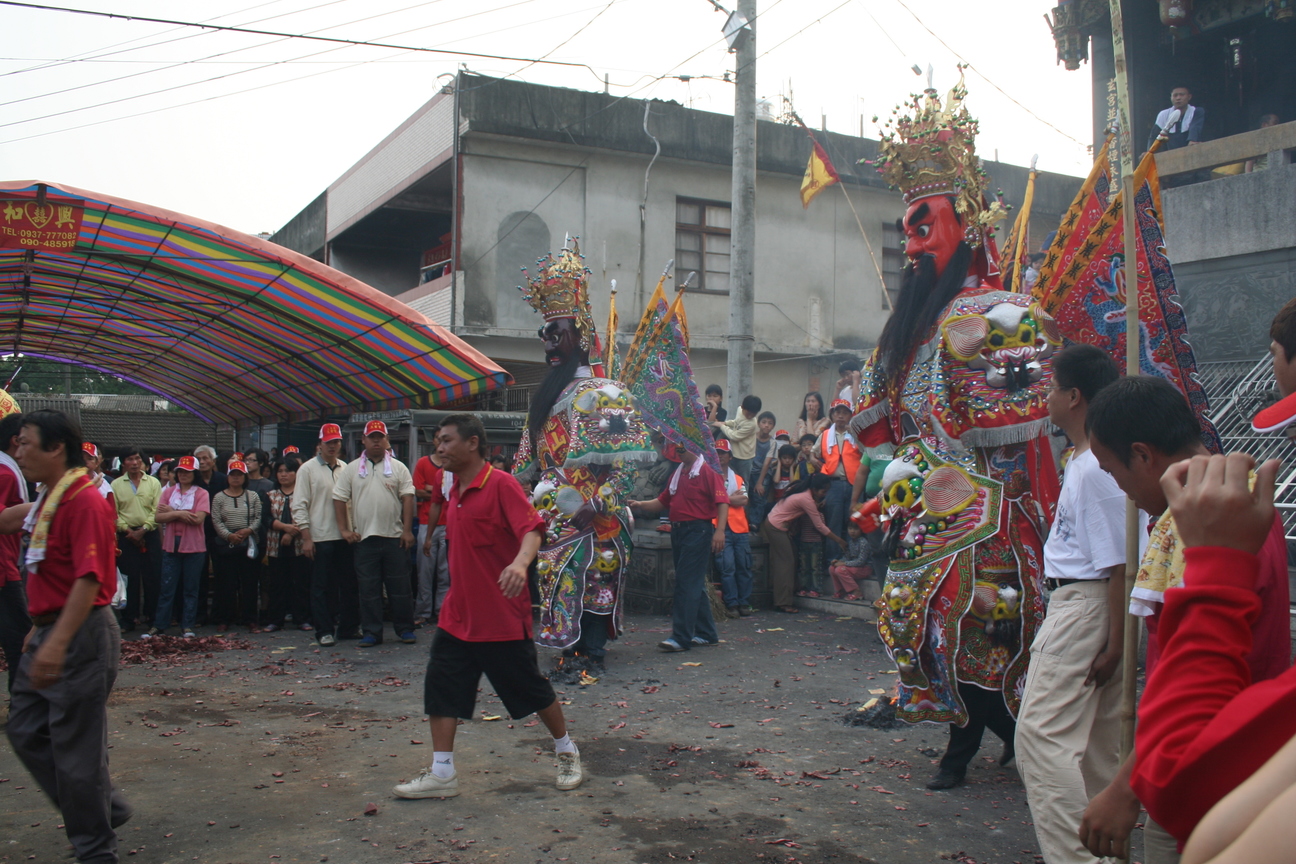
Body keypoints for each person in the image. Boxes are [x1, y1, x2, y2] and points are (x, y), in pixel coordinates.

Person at [860, 78, 1057, 790]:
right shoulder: (905, 334)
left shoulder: (1000, 315)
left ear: (966, 227)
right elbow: (887, 429)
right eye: (906, 231)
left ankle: (972, 741)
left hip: (991, 520)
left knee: (972, 631)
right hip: (925, 514)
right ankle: (991, 732)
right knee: (915, 626)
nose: (910, 245)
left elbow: (1010, 425)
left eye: (924, 228)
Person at [1078, 375, 1290, 861]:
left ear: (1142, 456)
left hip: (1208, 765)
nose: (1121, 489)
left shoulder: (1203, 529)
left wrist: (1125, 788)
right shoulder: (1239, 506)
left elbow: (1197, 674)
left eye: (1113, 472)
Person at [392, 414, 581, 800]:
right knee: (441, 688)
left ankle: (566, 751)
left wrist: (520, 564)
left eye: (447, 440)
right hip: (457, 616)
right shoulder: (453, 487)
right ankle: (442, 773)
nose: (439, 448)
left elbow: (532, 529)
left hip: (500, 617)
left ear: (472, 443)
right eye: (438, 442)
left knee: (530, 690)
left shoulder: (501, 484)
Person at [512, 241, 654, 668]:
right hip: (552, 518)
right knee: (556, 583)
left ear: (583, 335)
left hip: (595, 515)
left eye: (557, 333)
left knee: (597, 582)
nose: (549, 344)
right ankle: (569, 645)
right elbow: (526, 468)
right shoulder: (543, 402)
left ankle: (592, 648)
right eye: (545, 335)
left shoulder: (605, 393)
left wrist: (597, 503)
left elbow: (625, 467)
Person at [1014, 345, 1132, 854]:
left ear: (1075, 396)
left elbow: (1119, 565)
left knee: (1040, 738)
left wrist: (1116, 645)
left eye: (1052, 387)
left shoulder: (1095, 469)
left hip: (1085, 606)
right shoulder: (1087, 461)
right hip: (1091, 606)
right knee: (1099, 750)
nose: (1046, 396)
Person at [4, 410, 132, 864]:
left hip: (79, 633)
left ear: (56, 447)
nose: (19, 452)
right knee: (24, 728)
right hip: (48, 628)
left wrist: (56, 641)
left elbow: (89, 579)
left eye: (25, 443)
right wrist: (38, 630)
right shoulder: (49, 498)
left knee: (75, 749)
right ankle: (102, 807)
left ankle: (95, 848)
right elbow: (17, 532)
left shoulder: (84, 501)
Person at [628, 440, 728, 652]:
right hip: (679, 530)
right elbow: (663, 501)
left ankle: (681, 637)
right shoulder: (678, 473)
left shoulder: (707, 470)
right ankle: (706, 633)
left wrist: (720, 531)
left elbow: (722, 502)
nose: (679, 453)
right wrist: (640, 504)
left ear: (694, 447)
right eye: (677, 449)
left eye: (682, 449)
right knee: (693, 583)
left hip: (698, 530)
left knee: (686, 583)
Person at [331, 420, 416, 648]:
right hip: (364, 539)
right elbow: (338, 498)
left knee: (400, 587)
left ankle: (405, 629)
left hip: (394, 537)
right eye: (372, 437)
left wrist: (407, 531)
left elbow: (408, 498)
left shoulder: (398, 467)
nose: (376, 441)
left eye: (380, 437)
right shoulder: (352, 469)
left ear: (387, 440)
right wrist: (344, 529)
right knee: (368, 589)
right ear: (364, 440)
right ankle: (371, 632)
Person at [293, 423, 360, 647]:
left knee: (348, 585)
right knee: (320, 586)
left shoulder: (346, 468)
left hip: (344, 537)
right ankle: (324, 630)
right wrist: (306, 537)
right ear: (320, 444)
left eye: (336, 442)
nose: (332, 446)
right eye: (328, 442)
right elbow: (299, 505)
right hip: (320, 536)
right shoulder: (307, 469)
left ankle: (348, 628)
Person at [760, 473, 847, 613]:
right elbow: (819, 526)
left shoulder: (802, 492)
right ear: (815, 489)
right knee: (786, 563)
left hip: (775, 524)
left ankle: (787, 595)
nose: (825, 494)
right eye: (823, 491)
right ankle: (783, 603)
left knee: (790, 559)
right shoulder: (806, 499)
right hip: (776, 527)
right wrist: (839, 540)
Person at [148, 456, 209, 639]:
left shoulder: (202, 493)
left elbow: (198, 518)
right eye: (180, 471)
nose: (183, 475)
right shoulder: (168, 492)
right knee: (167, 587)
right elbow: (158, 517)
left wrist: (173, 513)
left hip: (194, 547)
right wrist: (182, 514)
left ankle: (187, 625)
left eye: (187, 472)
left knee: (191, 588)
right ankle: (160, 625)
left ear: (195, 474)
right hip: (170, 545)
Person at [111, 447, 162, 634]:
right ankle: (128, 618)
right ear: (123, 463)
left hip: (149, 534)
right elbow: (114, 513)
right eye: (130, 459)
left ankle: (152, 617)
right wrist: (129, 531)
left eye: (137, 459)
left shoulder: (153, 482)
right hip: (127, 536)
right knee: (129, 577)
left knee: (152, 577)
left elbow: (157, 509)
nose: (134, 463)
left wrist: (144, 529)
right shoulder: (116, 484)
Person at [210, 460, 263, 633]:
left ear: (245, 477)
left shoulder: (253, 496)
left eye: (239, 475)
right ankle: (225, 618)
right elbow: (216, 520)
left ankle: (250, 619)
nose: (236, 478)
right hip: (226, 545)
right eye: (232, 474)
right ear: (227, 476)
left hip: (248, 543)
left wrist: (248, 531)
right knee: (226, 584)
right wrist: (229, 536)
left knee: (249, 584)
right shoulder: (219, 497)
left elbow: (258, 518)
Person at [811, 399, 862, 568]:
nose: (841, 416)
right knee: (833, 523)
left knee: (854, 522)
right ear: (832, 415)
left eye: (845, 413)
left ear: (850, 416)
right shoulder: (825, 434)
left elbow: (866, 453)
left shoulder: (857, 434)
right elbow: (813, 453)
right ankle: (832, 560)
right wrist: (813, 459)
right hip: (832, 485)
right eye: (837, 412)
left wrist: (855, 434)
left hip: (855, 484)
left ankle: (853, 560)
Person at [0, 409, 30, 695]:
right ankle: (22, 703)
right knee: (19, 637)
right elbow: (5, 521)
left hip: (8, 563)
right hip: (4, 569)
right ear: (15, 441)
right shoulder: (5, 473)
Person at [264, 456, 311, 633]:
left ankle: (302, 619)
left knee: (301, 583)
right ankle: (275, 620)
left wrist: (291, 534)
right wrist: (284, 528)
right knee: (277, 584)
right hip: (275, 546)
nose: (283, 475)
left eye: (288, 471)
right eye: (280, 471)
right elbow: (266, 519)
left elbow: (308, 516)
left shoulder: (303, 494)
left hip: (300, 545)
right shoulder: (270, 495)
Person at [711, 439, 753, 618]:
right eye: (717, 453)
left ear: (730, 457)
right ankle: (732, 604)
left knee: (744, 567)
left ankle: (744, 602)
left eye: (723, 453)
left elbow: (744, 500)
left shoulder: (737, 478)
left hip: (740, 529)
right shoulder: (709, 477)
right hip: (719, 528)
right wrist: (730, 499)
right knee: (727, 568)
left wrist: (722, 499)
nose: (720, 456)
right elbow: (709, 500)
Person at [413, 434, 451, 627]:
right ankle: (423, 611)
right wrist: (437, 491)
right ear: (433, 441)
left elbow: (450, 493)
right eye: (438, 439)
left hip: (449, 524)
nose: (441, 443)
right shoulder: (423, 463)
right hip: (426, 522)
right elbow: (417, 491)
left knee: (445, 572)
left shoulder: (452, 466)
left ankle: (442, 611)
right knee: (425, 571)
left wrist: (432, 489)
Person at [712, 394, 760, 481]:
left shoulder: (751, 424)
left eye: (754, 414)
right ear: (742, 407)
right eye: (749, 413)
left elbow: (734, 436)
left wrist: (721, 426)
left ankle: (743, 491)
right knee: (731, 478)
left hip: (745, 457)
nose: (750, 416)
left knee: (743, 481)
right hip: (734, 454)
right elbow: (736, 422)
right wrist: (725, 423)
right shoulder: (739, 410)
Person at [1149, 86, 1204, 152]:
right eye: (1175, 95)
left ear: (1189, 97)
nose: (1178, 98)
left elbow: (1195, 126)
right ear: (1171, 98)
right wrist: (1150, 151)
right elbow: (1154, 135)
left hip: (1191, 149)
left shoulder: (1196, 111)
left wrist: (1192, 140)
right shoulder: (1163, 114)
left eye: (1182, 95)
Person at [747, 411, 777, 529]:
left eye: (770, 423)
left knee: (759, 497)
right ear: (758, 423)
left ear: (773, 426)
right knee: (747, 495)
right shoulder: (752, 437)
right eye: (764, 422)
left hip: (763, 473)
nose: (766, 425)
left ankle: (755, 524)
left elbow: (766, 463)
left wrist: (759, 482)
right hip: (749, 470)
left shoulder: (772, 442)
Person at [828, 521, 871, 600]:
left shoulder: (863, 542)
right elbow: (847, 557)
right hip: (853, 566)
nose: (852, 531)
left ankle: (857, 591)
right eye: (850, 528)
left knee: (840, 570)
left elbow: (861, 561)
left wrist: (844, 563)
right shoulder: (851, 542)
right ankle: (840, 590)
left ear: (861, 530)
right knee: (832, 568)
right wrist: (838, 561)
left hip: (864, 568)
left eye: (856, 529)